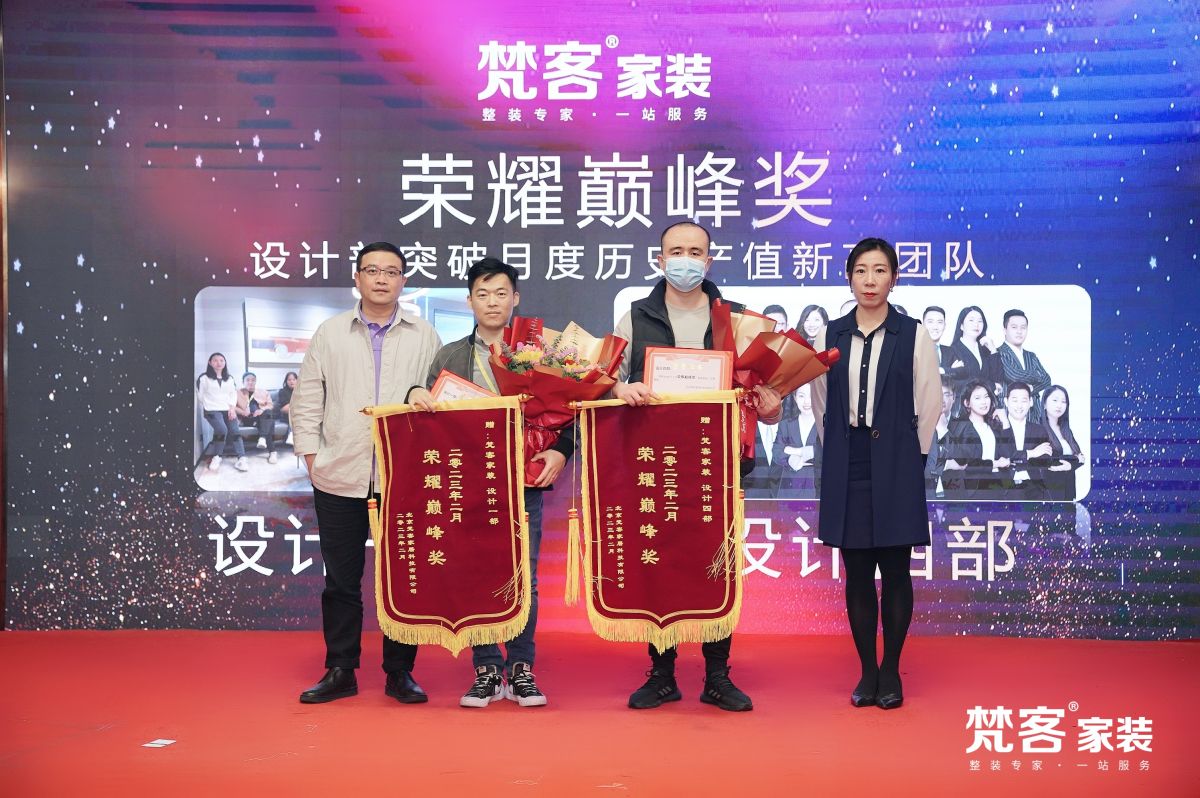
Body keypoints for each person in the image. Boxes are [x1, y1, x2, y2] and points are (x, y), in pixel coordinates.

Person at [613, 220, 782, 712]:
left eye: (695, 252)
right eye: (675, 251)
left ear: (709, 261)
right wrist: (621, 388)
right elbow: (606, 379)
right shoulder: (634, 316)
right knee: (657, 562)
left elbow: (763, 395)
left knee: (717, 567)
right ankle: (662, 674)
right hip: (653, 464)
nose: (684, 260)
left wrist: (772, 407)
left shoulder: (739, 320)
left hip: (717, 464)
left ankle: (717, 676)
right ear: (659, 259)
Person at [292, 241, 442, 705]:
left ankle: (400, 672)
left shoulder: (424, 335)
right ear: (357, 278)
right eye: (372, 270)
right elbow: (308, 397)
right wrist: (312, 457)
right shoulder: (331, 332)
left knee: (404, 578)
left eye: (391, 271)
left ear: (403, 281)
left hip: (405, 477)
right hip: (340, 474)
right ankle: (341, 669)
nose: (381, 278)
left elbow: (440, 398)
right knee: (341, 580)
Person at [423, 256, 572, 709]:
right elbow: (430, 417)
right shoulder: (450, 355)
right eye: (482, 294)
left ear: (516, 298)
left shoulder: (542, 351)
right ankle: (487, 669)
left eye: (501, 293)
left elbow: (574, 406)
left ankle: (522, 668)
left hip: (524, 482)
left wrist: (561, 450)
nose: (492, 302)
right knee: (477, 573)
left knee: (525, 575)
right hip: (468, 483)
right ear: (469, 301)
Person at [811, 237, 941, 711]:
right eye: (861, 270)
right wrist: (839, 449)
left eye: (880, 270)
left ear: (894, 278)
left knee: (897, 570)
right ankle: (868, 670)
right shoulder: (831, 335)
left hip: (898, 463)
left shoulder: (914, 334)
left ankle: (892, 669)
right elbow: (822, 403)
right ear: (849, 277)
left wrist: (911, 459)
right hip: (850, 462)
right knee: (858, 573)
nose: (870, 280)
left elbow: (930, 402)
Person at [943, 381, 1013, 499]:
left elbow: (1009, 454)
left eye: (986, 397)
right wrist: (996, 463)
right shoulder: (961, 427)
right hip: (973, 488)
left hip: (998, 485)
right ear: (967, 403)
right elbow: (966, 463)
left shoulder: (994, 425)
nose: (984, 402)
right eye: (977, 398)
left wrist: (1005, 422)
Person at [992, 309, 1052, 423]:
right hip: (1007, 416)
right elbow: (1014, 375)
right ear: (1005, 330)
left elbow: (1047, 380)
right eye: (1014, 327)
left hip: (1033, 416)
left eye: (1023, 327)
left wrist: (1032, 388)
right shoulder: (998, 353)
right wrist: (1037, 375)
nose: (1019, 331)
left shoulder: (1031, 356)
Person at [998, 381, 1053, 500]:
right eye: (1015, 400)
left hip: (1034, 490)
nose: (1019, 406)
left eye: (1023, 401)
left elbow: (1045, 460)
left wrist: (1014, 459)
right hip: (1004, 490)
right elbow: (1002, 456)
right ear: (1006, 401)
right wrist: (1031, 453)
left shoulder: (1039, 430)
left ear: (1031, 402)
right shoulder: (997, 429)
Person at [196, 352, 248, 472]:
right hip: (211, 409)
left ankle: (242, 458)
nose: (219, 363)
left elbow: (233, 394)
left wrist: (232, 408)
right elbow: (200, 396)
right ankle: (217, 456)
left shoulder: (229, 378)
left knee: (235, 431)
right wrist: (210, 404)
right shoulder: (204, 378)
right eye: (215, 360)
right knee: (222, 430)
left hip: (228, 409)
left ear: (225, 363)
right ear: (210, 363)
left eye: (221, 360)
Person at [945, 305, 1000, 411]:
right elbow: (954, 383)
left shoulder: (985, 349)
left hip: (986, 408)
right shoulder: (952, 351)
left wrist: (993, 350)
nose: (976, 324)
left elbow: (998, 379)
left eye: (980, 321)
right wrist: (991, 385)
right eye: (971, 320)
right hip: (963, 408)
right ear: (961, 325)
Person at [774, 382, 820, 497]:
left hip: (816, 487)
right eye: (801, 396)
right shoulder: (786, 424)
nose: (806, 402)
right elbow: (776, 451)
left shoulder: (824, 426)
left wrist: (797, 451)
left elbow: (828, 452)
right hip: (789, 488)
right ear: (795, 398)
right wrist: (790, 459)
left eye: (811, 395)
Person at [1040, 385, 1084, 501]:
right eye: (1055, 400)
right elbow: (1048, 461)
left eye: (1063, 402)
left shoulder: (1066, 430)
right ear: (1044, 404)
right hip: (1049, 493)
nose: (1059, 405)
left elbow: (1081, 457)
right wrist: (1074, 461)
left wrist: (1071, 464)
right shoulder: (1038, 428)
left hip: (1069, 491)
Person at [236, 372, 278, 464]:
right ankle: (272, 451)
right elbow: (232, 407)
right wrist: (243, 412)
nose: (250, 382)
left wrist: (261, 410)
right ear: (243, 382)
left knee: (268, 414)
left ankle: (263, 439)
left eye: (253, 380)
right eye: (247, 380)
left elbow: (270, 405)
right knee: (270, 422)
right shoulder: (237, 393)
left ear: (256, 381)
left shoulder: (264, 392)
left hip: (262, 418)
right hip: (247, 418)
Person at [923, 376, 954, 498]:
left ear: (954, 397)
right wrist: (945, 465)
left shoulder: (961, 424)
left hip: (952, 492)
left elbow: (962, 460)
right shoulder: (921, 424)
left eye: (946, 394)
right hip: (927, 492)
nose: (941, 399)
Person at [921, 306, 952, 375]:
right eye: (930, 322)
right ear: (922, 325)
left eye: (940, 322)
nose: (935, 327)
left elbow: (962, 371)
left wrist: (943, 370)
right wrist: (949, 370)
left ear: (944, 326)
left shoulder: (951, 351)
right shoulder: (912, 350)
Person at [277, 371, 299, 446]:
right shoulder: (282, 391)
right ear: (286, 381)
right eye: (289, 380)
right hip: (286, 416)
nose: (291, 381)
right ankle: (291, 435)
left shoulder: (301, 391)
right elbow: (284, 409)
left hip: (299, 414)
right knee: (295, 416)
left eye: (294, 379)